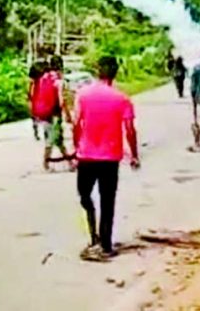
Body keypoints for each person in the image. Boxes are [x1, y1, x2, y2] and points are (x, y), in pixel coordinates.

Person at [73, 56, 139, 262]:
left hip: (86, 156)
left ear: (97, 71)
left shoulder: (83, 95)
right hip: (110, 158)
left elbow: (76, 123)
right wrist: (134, 155)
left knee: (85, 195)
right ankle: (106, 244)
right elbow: (129, 130)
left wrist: (77, 147)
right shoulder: (122, 99)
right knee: (108, 201)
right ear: (115, 73)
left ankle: (94, 235)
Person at [32, 55, 74, 170]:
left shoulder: (43, 77)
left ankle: (70, 163)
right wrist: (68, 115)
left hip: (44, 113)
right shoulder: (59, 81)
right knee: (52, 139)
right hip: (54, 114)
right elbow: (61, 101)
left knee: (58, 139)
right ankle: (46, 163)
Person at [27, 61, 46, 141]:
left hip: (35, 99)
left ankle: (36, 132)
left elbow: (29, 91)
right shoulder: (41, 79)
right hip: (39, 98)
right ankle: (42, 132)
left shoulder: (32, 81)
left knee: (34, 117)